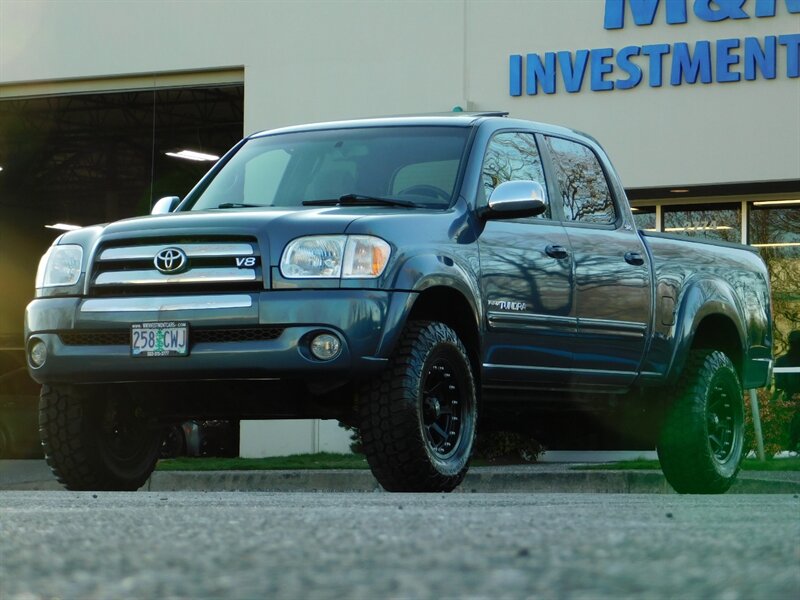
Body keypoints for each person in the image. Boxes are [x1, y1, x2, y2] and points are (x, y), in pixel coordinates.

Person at [775, 330, 800, 399]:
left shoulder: (781, 361)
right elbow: (779, 384)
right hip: (788, 397)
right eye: (795, 344)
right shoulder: (781, 361)